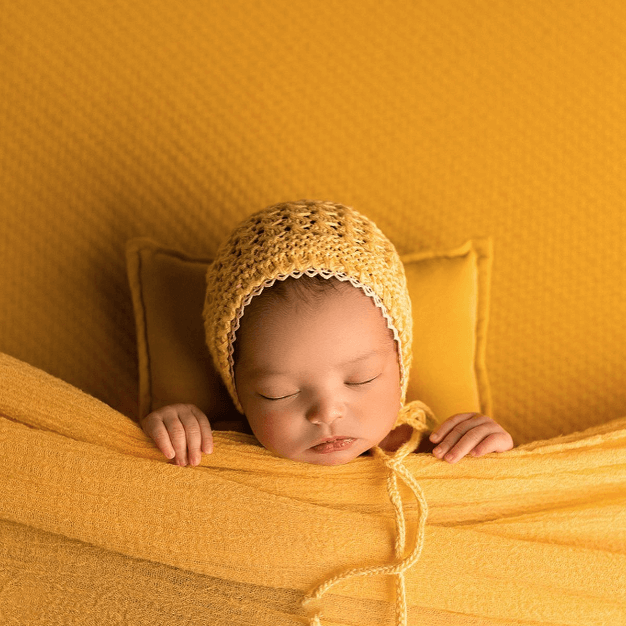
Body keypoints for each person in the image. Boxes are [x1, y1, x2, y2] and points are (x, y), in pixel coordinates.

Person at [141, 200, 514, 467]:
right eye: (278, 393)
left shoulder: (434, 453)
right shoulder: (216, 451)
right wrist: (165, 437)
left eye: (360, 378)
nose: (327, 412)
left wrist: (495, 464)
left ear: (401, 364)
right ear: (236, 388)